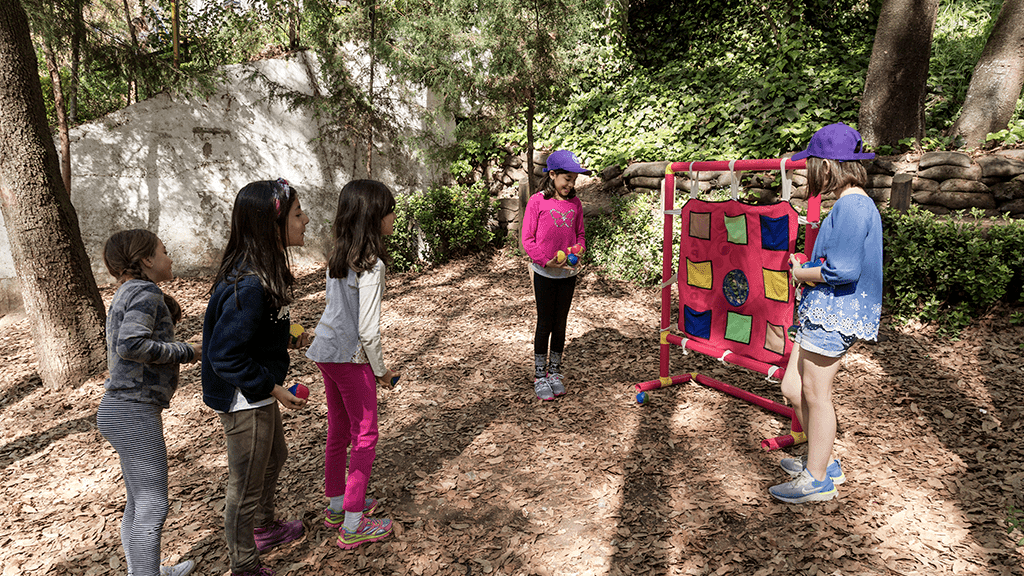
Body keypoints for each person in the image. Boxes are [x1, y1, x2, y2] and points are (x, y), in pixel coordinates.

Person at [201, 179, 312, 576]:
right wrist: (277, 390)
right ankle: (244, 565)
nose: (305, 220)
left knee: (275, 457)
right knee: (244, 484)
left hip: (258, 389)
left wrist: (295, 334)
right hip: (243, 396)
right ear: (273, 224)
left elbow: (263, 327)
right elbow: (225, 355)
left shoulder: (266, 271)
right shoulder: (248, 284)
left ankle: (265, 528)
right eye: (298, 215)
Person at [770, 123, 883, 503]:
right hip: (822, 309)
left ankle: (817, 479)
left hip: (835, 313)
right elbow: (836, 261)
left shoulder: (852, 205)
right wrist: (810, 263)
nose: (808, 171)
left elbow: (844, 270)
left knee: (817, 394)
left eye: (812, 164)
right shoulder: (849, 203)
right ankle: (825, 458)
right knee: (792, 388)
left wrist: (800, 272)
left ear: (829, 167)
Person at [97, 229, 201, 576]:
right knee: (153, 505)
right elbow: (131, 344)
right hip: (132, 410)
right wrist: (188, 351)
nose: (170, 257)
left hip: (120, 408)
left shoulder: (127, 292)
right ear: (147, 260)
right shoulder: (145, 292)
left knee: (139, 503)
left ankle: (146, 571)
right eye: (165, 250)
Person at [306, 179, 399, 549]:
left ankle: (336, 505)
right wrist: (382, 372)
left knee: (339, 431)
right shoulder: (371, 265)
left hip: (324, 351)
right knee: (365, 436)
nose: (394, 216)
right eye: (390, 210)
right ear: (374, 216)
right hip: (349, 357)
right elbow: (368, 332)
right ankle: (354, 523)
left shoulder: (339, 256)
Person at [521, 149, 589, 401]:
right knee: (545, 323)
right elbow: (527, 239)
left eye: (574, 180)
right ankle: (540, 376)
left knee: (561, 324)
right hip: (544, 274)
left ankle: (555, 373)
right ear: (552, 175)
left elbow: (580, 234)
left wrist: (579, 250)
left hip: (568, 275)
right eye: (566, 179)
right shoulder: (538, 201)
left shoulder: (575, 204)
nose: (570, 185)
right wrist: (545, 260)